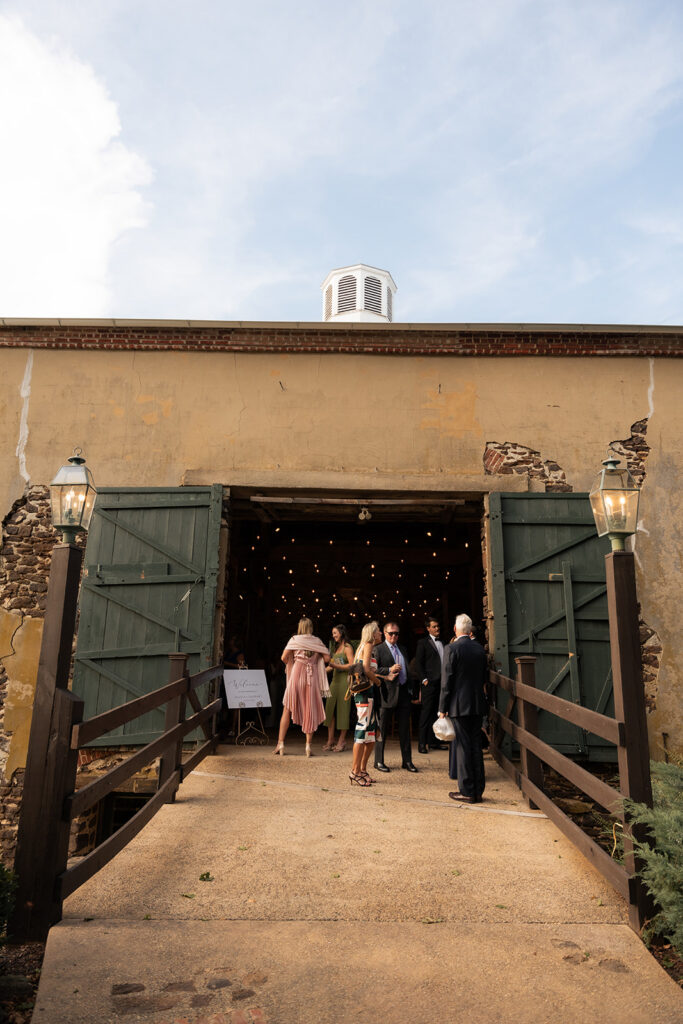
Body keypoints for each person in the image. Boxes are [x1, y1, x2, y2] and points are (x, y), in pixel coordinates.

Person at [438, 613, 488, 803]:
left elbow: (447, 680)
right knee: (475, 747)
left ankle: (467, 791)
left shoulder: (452, 648)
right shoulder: (479, 649)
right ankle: (477, 790)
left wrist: (442, 707)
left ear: (455, 629)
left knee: (463, 748)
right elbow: (483, 677)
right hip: (477, 704)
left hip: (459, 704)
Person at [274, 617, 330, 757]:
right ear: (311, 627)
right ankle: (308, 746)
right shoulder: (317, 641)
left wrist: (293, 660)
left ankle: (280, 743)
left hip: (297, 674)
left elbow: (283, 657)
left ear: (300, 627)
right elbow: (327, 659)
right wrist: (315, 659)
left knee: (287, 708)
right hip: (311, 678)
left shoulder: (294, 640)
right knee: (309, 710)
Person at [352, 622, 398, 784]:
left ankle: (362, 770)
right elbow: (365, 668)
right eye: (379, 631)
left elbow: (369, 671)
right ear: (372, 633)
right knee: (362, 731)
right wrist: (378, 683)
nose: (380, 633)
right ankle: (355, 772)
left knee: (371, 735)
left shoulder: (363, 646)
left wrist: (383, 677)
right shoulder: (369, 644)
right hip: (365, 694)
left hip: (367, 694)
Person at [373, 621, 419, 773]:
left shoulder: (403, 649)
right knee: (382, 729)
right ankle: (378, 761)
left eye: (396, 633)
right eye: (391, 633)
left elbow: (409, 670)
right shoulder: (378, 649)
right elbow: (372, 670)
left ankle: (407, 761)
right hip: (387, 694)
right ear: (385, 634)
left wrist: (413, 689)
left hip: (404, 693)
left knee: (405, 730)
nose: (394, 636)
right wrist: (389, 670)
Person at [414, 616, 448, 753]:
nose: (437, 628)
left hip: (442, 683)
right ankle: (422, 744)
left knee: (438, 713)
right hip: (429, 683)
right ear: (428, 628)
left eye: (437, 626)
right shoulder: (422, 643)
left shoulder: (443, 642)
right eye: (434, 626)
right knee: (426, 714)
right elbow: (418, 663)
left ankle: (435, 742)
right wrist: (424, 680)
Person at [322, 624, 354, 752]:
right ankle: (330, 740)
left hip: (345, 682)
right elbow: (332, 666)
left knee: (343, 711)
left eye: (335, 633)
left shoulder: (347, 647)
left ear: (341, 633)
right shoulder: (336, 648)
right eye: (333, 633)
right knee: (329, 710)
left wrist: (336, 667)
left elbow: (352, 665)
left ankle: (341, 740)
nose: (333, 635)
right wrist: (321, 671)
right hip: (334, 682)